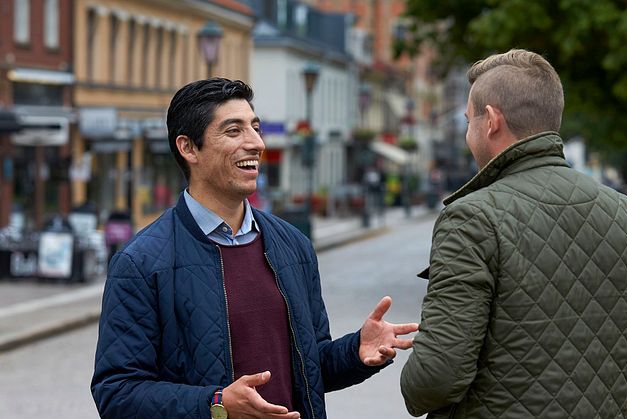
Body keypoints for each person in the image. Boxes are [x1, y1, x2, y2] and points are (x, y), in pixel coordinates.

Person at [91, 78, 418, 419]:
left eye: (255, 127)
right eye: (234, 131)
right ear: (189, 148)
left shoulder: (293, 245)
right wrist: (216, 405)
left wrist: (355, 351)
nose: (256, 143)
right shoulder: (141, 262)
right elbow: (117, 393)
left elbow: (309, 365)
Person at [400, 49, 627, 418]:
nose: (466, 134)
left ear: (491, 121)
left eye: (468, 121)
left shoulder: (472, 218)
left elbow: (434, 380)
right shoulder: (623, 211)